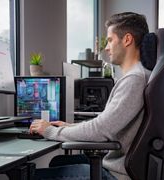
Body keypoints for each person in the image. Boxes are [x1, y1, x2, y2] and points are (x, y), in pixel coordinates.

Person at [30, 12, 151, 180]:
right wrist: (68, 127)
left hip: (119, 174)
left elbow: (101, 130)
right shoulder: (138, 76)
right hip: (120, 166)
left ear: (127, 39)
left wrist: (49, 131)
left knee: (30, 176)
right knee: (58, 161)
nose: (107, 47)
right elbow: (106, 124)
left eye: (110, 40)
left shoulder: (134, 80)